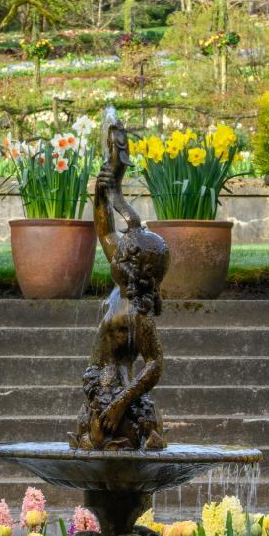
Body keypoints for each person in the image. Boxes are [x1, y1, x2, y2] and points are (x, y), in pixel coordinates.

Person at [72, 117, 169, 451]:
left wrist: (120, 402)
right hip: (100, 388)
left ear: (137, 271)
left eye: (123, 255)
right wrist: (107, 187)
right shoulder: (121, 283)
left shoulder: (137, 315)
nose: (114, 254)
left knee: (103, 448)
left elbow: (155, 362)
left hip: (118, 401)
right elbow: (104, 229)